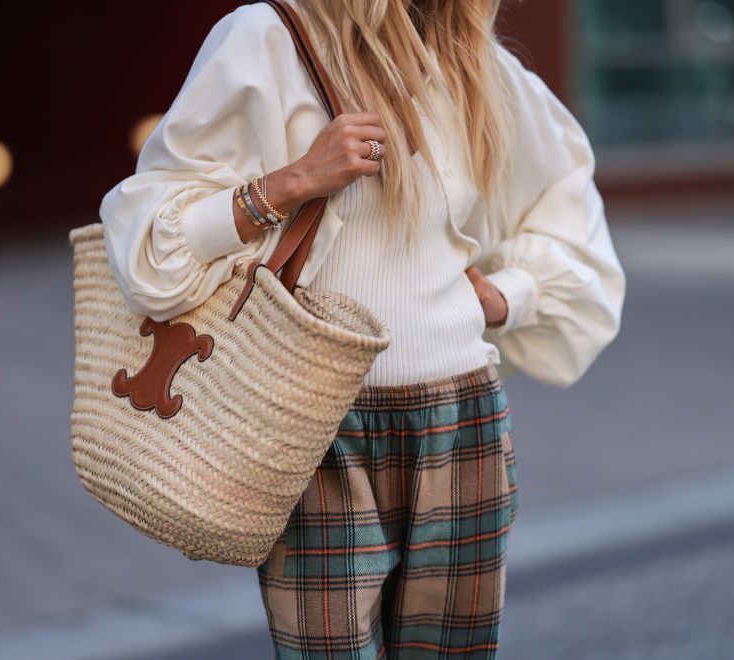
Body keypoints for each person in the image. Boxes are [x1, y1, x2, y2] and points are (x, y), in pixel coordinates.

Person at [99, 0, 625, 656]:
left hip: (462, 420)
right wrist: (294, 182)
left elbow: (570, 211)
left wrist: (505, 296)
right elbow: (147, 244)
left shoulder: (474, 62)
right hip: (316, 427)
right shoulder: (266, 38)